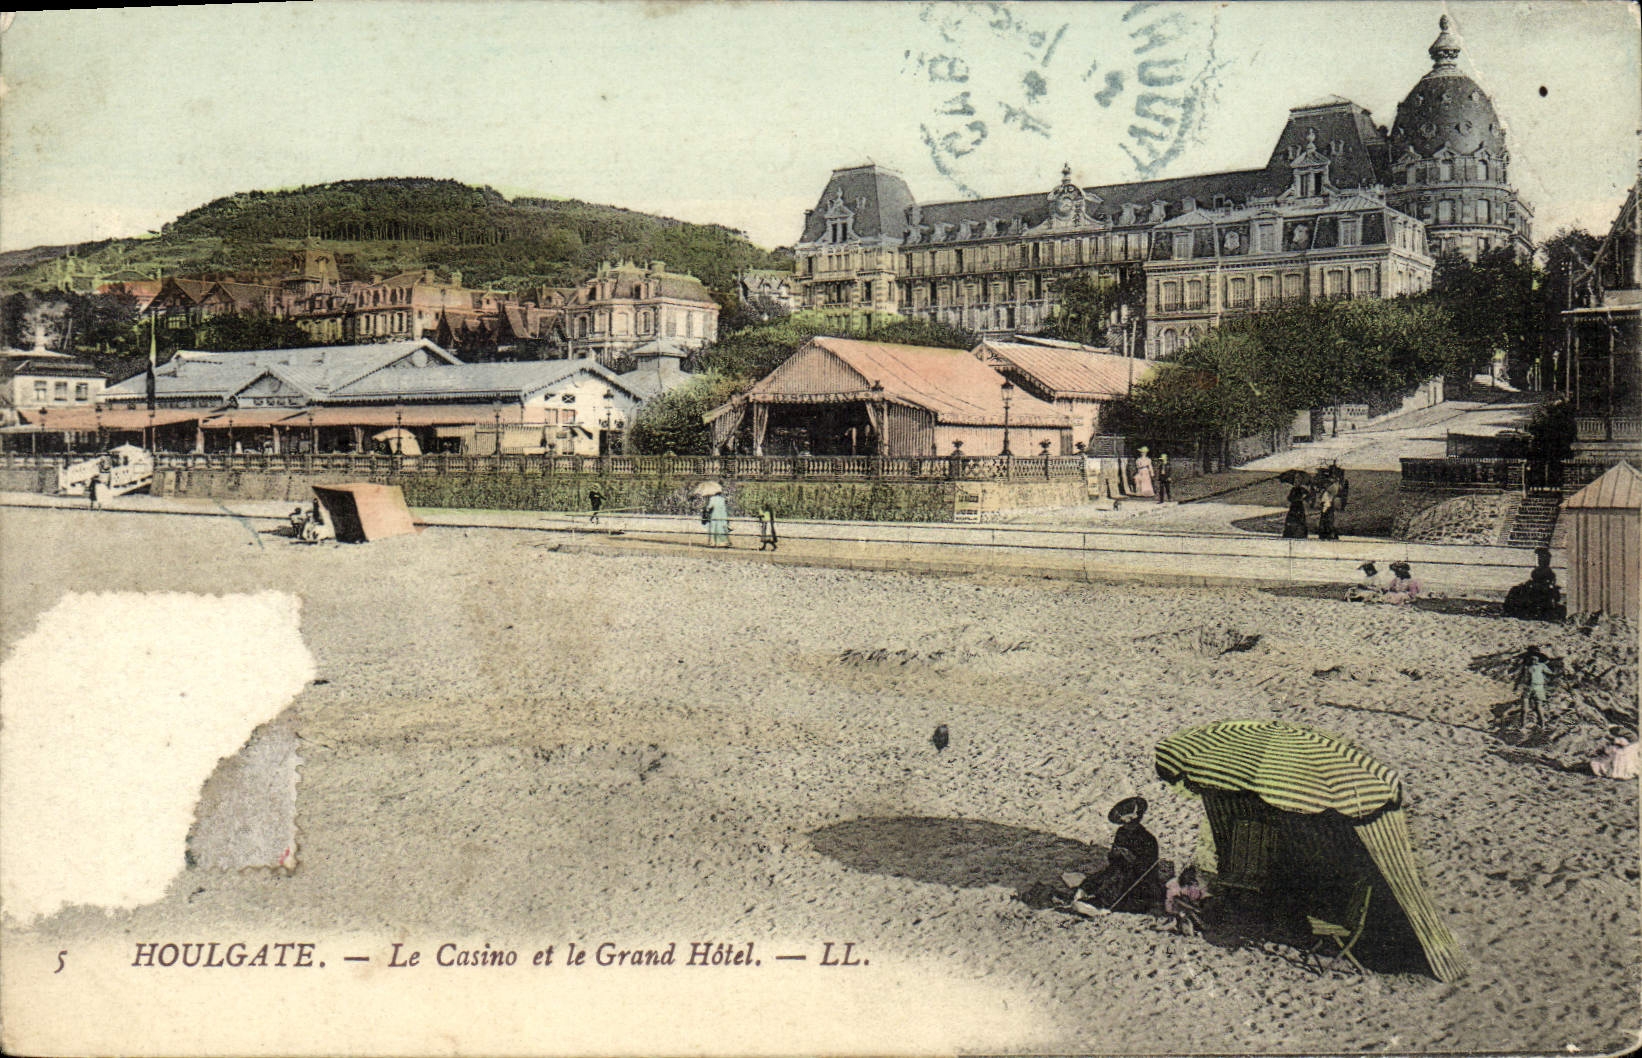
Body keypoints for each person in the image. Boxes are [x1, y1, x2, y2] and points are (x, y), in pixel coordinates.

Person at [1081, 797, 1162, 913]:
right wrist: (1115, 854)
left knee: (1119, 884)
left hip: (1139, 879)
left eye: (1129, 824)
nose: (1126, 826)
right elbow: (1113, 860)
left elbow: (1148, 869)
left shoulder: (1148, 839)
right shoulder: (1121, 832)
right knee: (1101, 878)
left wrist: (1132, 858)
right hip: (1120, 870)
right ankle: (1087, 897)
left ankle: (1100, 903)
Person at [1515, 645, 1553, 738]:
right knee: (1524, 708)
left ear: (1538, 658)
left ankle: (1542, 725)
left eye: (1535, 658)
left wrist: (1557, 671)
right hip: (1527, 687)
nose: (1533, 660)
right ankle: (1522, 726)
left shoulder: (1542, 666)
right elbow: (1519, 677)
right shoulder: (1525, 667)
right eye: (1531, 658)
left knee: (1539, 707)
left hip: (1538, 687)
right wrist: (1516, 686)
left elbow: (1551, 673)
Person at [1163, 866, 1209, 936]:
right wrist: (1193, 908)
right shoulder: (1174, 883)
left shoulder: (1189, 883)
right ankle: (1200, 925)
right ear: (1183, 874)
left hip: (1184, 905)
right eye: (1189, 875)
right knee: (1190, 911)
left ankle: (1195, 924)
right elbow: (1176, 899)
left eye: (1192, 876)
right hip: (1173, 905)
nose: (1190, 878)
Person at [1317, 476, 1340, 541]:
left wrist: (1325, 508)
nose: (1325, 485)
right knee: (1327, 521)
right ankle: (1326, 535)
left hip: (1327, 507)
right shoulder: (1326, 492)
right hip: (1326, 506)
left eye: (1326, 484)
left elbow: (1327, 501)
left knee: (1327, 522)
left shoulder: (1329, 492)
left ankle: (1328, 535)